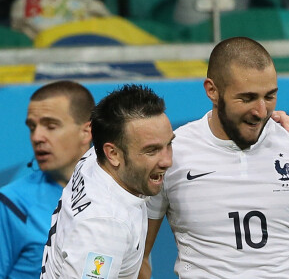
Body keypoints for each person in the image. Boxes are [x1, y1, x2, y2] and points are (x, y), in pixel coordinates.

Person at [139, 37, 289, 279]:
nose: (260, 112)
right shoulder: (172, 153)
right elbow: (138, 254)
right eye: (247, 98)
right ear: (212, 91)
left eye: (269, 97)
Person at [40, 84, 175, 279]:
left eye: (169, 144)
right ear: (113, 153)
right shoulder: (105, 229)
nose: (167, 161)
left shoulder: (93, 160)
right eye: (151, 150)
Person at [0, 80, 95, 279]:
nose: (37, 137)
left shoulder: (122, 194)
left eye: (51, 126)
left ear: (87, 132)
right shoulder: (10, 205)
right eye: (32, 127)